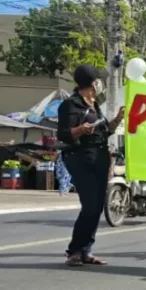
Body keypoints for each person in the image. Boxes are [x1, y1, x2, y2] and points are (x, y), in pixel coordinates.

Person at [57, 64, 125, 267]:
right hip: (81, 157)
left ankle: (86, 250)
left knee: (97, 207)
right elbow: (63, 134)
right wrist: (80, 130)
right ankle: (74, 251)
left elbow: (105, 131)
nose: (100, 83)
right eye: (98, 79)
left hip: (100, 156)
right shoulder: (71, 105)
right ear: (93, 83)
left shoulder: (95, 105)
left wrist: (118, 119)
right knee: (89, 206)